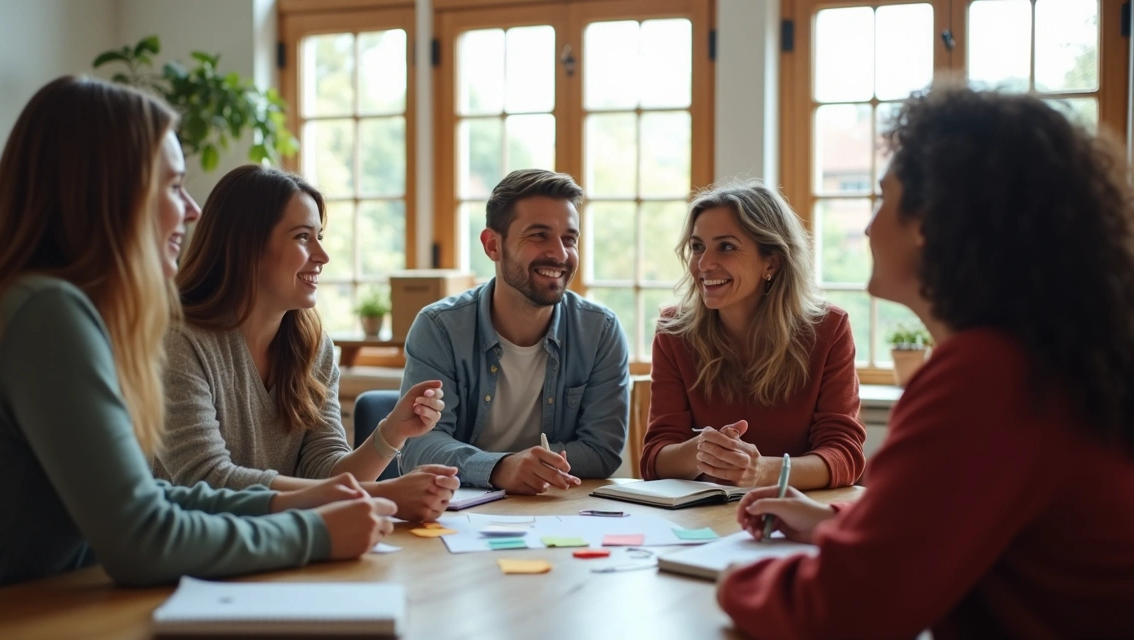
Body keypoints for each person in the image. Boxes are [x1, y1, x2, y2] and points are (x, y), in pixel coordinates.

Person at [0, 76, 394, 603]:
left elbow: (146, 499)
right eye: (172, 185)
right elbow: (141, 539)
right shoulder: (45, 315)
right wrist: (317, 533)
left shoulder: (21, 304)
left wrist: (293, 504)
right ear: (109, 193)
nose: (191, 210)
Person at [719, 87, 1134, 638]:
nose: (868, 227)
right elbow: (973, 519)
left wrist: (731, 581)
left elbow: (841, 610)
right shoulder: (1045, 357)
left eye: (883, 199)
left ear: (929, 223)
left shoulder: (989, 374)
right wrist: (837, 523)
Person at [156, 164, 458, 522]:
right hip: (195, 559)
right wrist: (379, 494)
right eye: (302, 237)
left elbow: (324, 472)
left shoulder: (313, 347)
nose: (322, 255)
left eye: (320, 237)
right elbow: (206, 481)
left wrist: (394, 431)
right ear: (246, 245)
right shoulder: (178, 342)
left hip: (283, 548)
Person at [398, 169, 630, 494]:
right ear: (493, 245)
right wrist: (501, 468)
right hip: (459, 512)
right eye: (538, 235)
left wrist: (529, 467)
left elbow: (602, 451)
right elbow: (418, 448)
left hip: (559, 510)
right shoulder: (439, 328)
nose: (561, 254)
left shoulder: (600, 331)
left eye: (569, 239)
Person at [641, 183, 866, 490]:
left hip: (797, 517)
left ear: (770, 262)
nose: (704, 264)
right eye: (697, 247)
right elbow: (654, 459)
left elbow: (845, 456)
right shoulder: (674, 330)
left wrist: (762, 472)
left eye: (727, 246)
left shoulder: (829, 329)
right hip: (704, 518)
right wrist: (701, 451)